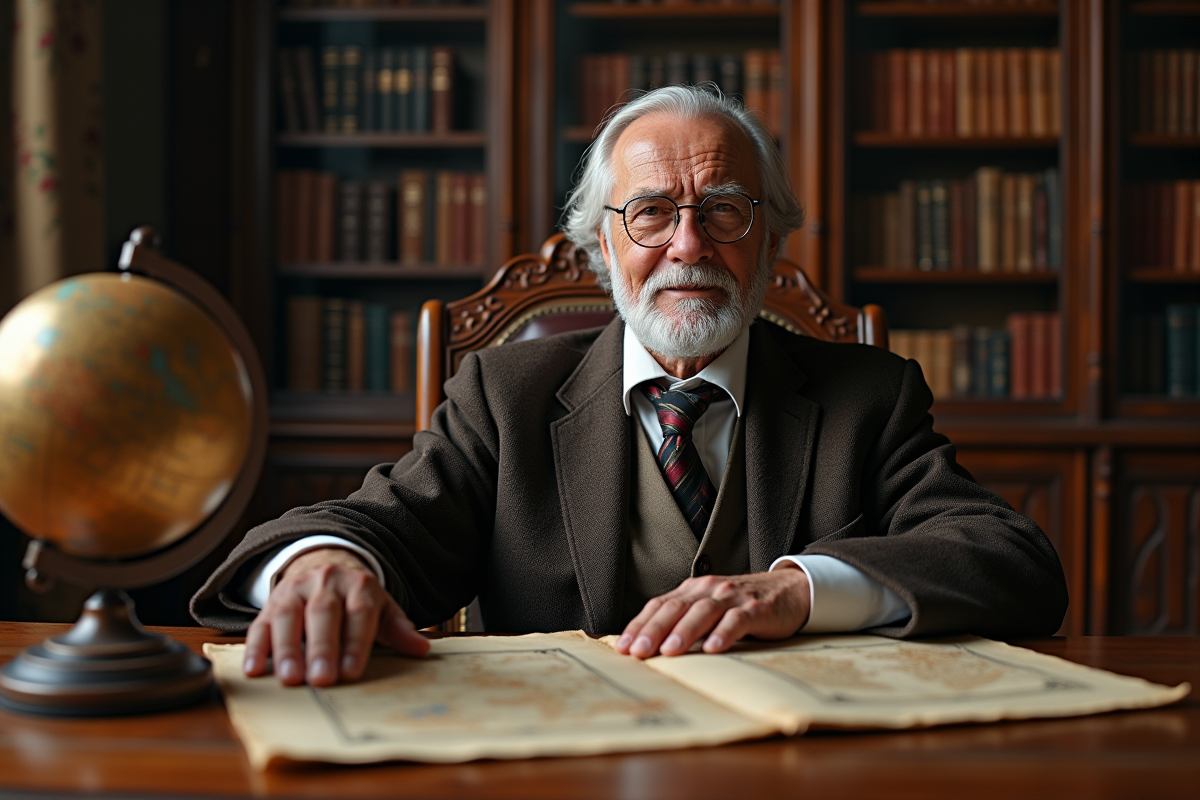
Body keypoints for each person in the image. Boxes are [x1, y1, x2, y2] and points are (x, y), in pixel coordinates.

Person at [192, 86, 1068, 688]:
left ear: (769, 247)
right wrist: (320, 565)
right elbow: (379, 524)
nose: (689, 246)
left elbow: (1010, 559)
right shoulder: (506, 393)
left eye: (725, 209)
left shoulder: (867, 396)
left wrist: (800, 588)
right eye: (651, 212)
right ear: (600, 247)